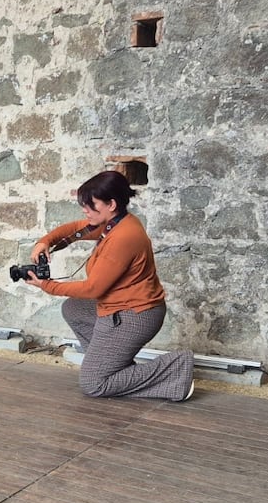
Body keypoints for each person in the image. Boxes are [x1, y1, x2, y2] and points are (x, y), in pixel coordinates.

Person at [26, 169, 194, 401]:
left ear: (111, 204)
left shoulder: (123, 237)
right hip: (119, 308)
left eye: (90, 205)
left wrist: (46, 285)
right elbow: (75, 228)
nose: (85, 211)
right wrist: (44, 242)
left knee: (93, 384)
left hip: (134, 315)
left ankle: (176, 368)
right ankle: (112, 365)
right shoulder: (115, 222)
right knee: (74, 309)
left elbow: (93, 289)